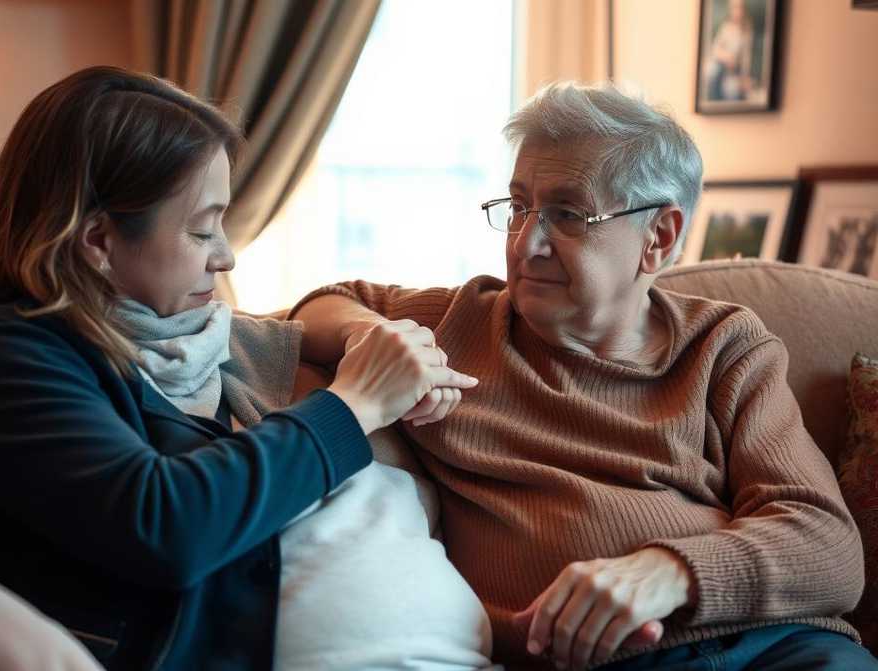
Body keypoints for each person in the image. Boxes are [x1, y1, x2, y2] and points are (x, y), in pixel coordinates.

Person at [291, 82, 875, 671]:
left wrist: (668, 572)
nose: (526, 244)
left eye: (567, 214)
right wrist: (375, 339)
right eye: (518, 207)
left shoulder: (723, 346)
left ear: (658, 238)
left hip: (776, 648)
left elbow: (828, 544)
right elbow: (321, 304)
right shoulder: (461, 321)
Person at [0, 66, 480, 670]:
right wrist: (354, 404)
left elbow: (299, 327)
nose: (226, 255)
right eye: (201, 229)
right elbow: (166, 526)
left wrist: (368, 337)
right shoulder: (8, 363)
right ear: (99, 241)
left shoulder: (192, 338)